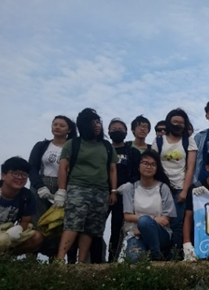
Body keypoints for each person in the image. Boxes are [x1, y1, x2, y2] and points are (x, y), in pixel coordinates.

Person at [54, 108, 118, 263]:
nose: (97, 125)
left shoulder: (107, 146)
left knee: (90, 229)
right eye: (93, 122)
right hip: (78, 188)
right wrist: (62, 191)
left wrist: (113, 191)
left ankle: (81, 263)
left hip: (101, 191)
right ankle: (59, 260)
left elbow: (112, 169)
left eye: (98, 122)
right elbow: (63, 167)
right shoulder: (73, 143)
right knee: (73, 225)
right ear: (84, 125)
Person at [27, 115, 76, 258]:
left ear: (69, 129)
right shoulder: (41, 146)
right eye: (55, 124)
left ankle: (54, 261)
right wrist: (39, 186)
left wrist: (65, 189)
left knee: (57, 224)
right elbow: (32, 167)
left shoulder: (73, 147)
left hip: (62, 187)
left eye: (62, 125)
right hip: (41, 186)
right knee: (37, 223)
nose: (57, 127)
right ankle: (30, 259)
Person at [151, 108, 198, 254]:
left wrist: (185, 190)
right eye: (175, 122)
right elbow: (153, 164)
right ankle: (159, 254)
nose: (178, 125)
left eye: (181, 122)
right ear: (168, 123)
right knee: (159, 221)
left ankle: (175, 255)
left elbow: (190, 168)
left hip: (179, 188)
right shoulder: (159, 141)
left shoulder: (188, 141)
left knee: (177, 224)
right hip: (160, 188)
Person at [122, 150, 177, 263]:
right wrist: (153, 219)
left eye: (153, 164)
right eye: (145, 163)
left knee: (144, 221)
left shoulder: (163, 188)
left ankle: (156, 255)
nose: (149, 167)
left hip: (160, 234)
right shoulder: (130, 188)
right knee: (134, 260)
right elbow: (127, 216)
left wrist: (146, 224)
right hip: (136, 233)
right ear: (138, 166)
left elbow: (166, 219)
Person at [107, 117, 132, 261]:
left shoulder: (129, 150)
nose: (117, 131)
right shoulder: (104, 148)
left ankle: (112, 260)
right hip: (104, 191)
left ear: (126, 132)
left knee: (117, 229)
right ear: (109, 132)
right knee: (96, 228)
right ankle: (95, 259)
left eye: (120, 129)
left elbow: (135, 170)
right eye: (114, 129)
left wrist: (128, 184)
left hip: (123, 193)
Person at [127, 115, 152, 183]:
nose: (142, 129)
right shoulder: (127, 147)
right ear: (133, 129)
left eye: (145, 127)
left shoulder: (152, 149)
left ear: (148, 131)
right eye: (139, 126)